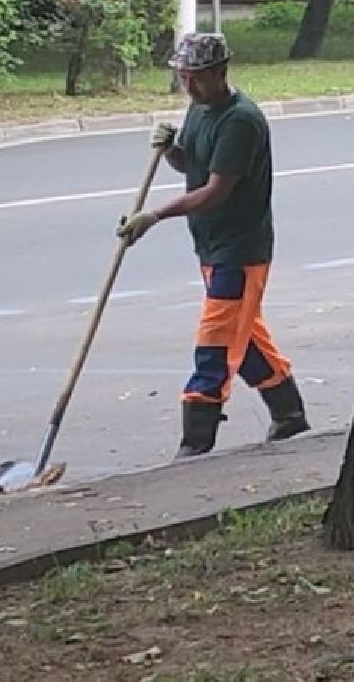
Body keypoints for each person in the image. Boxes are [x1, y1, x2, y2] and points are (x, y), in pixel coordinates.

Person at [118, 33, 309, 458]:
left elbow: (215, 191)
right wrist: (170, 151)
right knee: (245, 334)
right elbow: (196, 165)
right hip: (211, 246)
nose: (189, 85)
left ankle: (196, 440)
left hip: (240, 251)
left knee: (216, 343)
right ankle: (289, 413)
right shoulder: (199, 109)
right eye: (184, 77)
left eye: (197, 77)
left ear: (220, 71)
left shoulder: (240, 120)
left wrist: (154, 216)